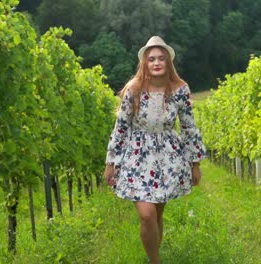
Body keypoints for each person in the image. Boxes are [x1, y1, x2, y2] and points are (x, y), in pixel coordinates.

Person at [104, 36, 206, 264]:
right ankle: (156, 262)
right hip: (137, 157)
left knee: (157, 213)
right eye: (152, 59)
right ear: (145, 63)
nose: (157, 62)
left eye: (161, 58)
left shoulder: (180, 90)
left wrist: (195, 164)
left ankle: (153, 256)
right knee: (146, 214)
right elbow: (120, 126)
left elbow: (189, 126)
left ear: (169, 62)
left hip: (168, 158)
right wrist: (111, 162)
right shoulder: (134, 89)